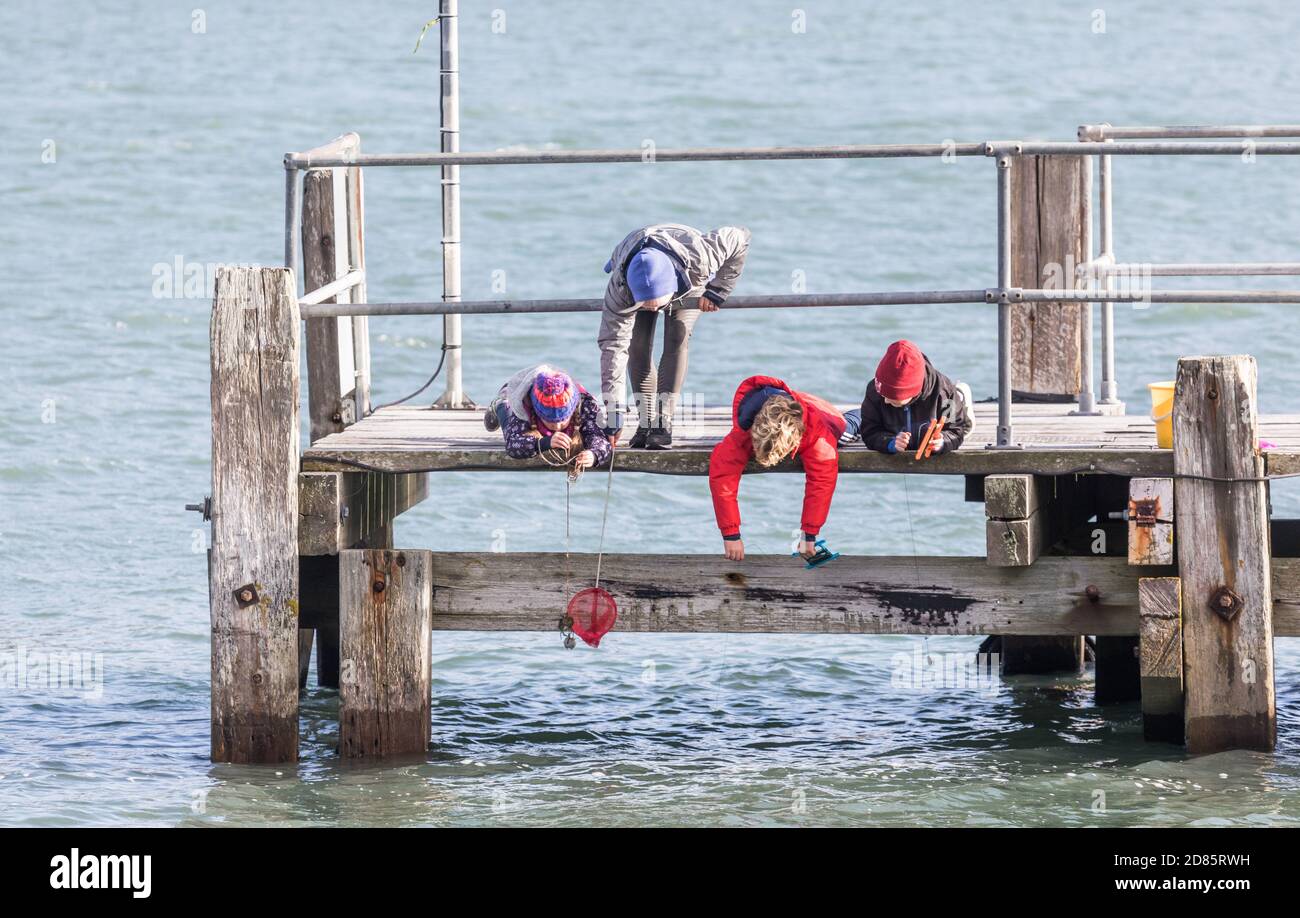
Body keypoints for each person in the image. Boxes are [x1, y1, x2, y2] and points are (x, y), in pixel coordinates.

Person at [598, 223, 751, 450]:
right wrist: (614, 412)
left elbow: (741, 236)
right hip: (635, 270)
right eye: (646, 306)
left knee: (676, 338)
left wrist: (718, 290)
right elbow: (613, 347)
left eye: (656, 305)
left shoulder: (702, 256)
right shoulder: (621, 289)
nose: (653, 310)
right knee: (636, 346)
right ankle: (646, 421)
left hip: (687, 274)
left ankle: (662, 423)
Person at [708, 375, 846, 562]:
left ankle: (857, 417)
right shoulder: (744, 430)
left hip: (824, 413)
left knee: (845, 428)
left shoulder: (816, 432)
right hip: (787, 402)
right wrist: (730, 534)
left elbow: (822, 480)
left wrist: (809, 535)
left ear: (796, 440)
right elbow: (722, 477)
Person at [841, 340, 974, 454]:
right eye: (883, 395)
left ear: (913, 393)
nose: (886, 401)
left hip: (940, 416)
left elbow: (956, 431)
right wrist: (890, 443)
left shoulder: (944, 392)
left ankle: (961, 396)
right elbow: (869, 432)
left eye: (893, 399)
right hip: (895, 431)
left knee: (964, 427)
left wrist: (942, 442)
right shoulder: (875, 391)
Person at [484, 365, 611, 470]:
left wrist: (594, 455)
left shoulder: (585, 406)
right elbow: (512, 444)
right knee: (507, 410)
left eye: (562, 421)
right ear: (538, 414)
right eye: (550, 422)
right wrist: (544, 443)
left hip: (563, 389)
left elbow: (601, 439)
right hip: (517, 391)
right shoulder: (524, 405)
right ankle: (500, 404)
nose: (557, 427)